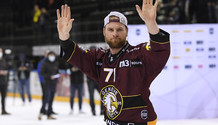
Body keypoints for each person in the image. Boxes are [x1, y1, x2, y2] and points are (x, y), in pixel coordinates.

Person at [57, 0, 170, 124]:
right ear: (104, 32)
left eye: (119, 29)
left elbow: (159, 50)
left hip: (140, 122)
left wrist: (151, 23)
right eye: (110, 30)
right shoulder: (98, 58)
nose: (115, 34)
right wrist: (64, 37)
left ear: (126, 31)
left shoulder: (138, 54)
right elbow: (76, 55)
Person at [38, 51, 59, 120]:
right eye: (50, 55)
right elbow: (42, 73)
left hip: (54, 83)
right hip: (47, 83)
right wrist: (49, 76)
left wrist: (57, 76)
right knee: (46, 98)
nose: (52, 57)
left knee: (51, 99)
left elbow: (57, 72)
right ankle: (41, 112)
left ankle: (49, 114)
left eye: (53, 55)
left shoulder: (56, 63)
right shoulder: (44, 63)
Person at [37, 50, 50, 115]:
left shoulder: (51, 62)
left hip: (50, 82)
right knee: (45, 95)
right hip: (44, 82)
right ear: (45, 55)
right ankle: (43, 109)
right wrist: (43, 81)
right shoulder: (42, 62)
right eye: (47, 54)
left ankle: (49, 109)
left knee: (49, 95)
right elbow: (40, 73)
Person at [0, 48, 10, 115]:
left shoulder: (3, 60)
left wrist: (6, 72)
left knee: (4, 96)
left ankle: (3, 109)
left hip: (3, 81)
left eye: (1, 51)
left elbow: (7, 68)